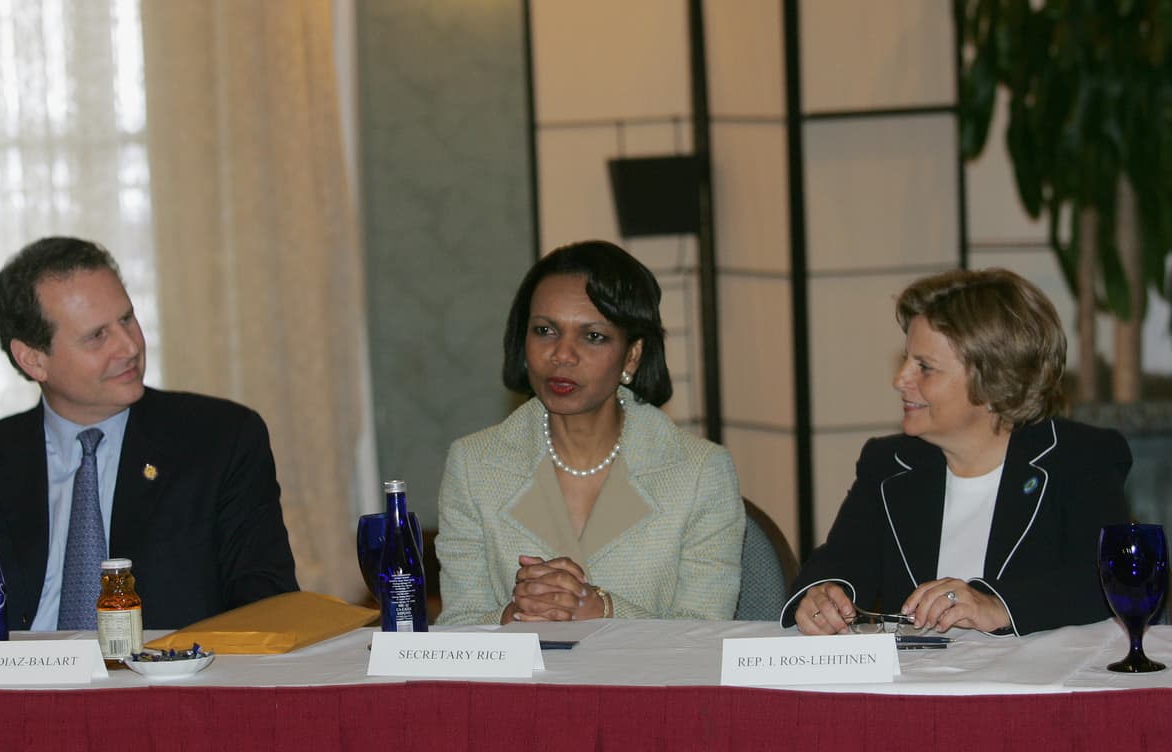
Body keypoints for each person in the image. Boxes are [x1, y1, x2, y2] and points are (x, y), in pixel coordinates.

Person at [0, 236, 298, 648]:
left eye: (127, 319)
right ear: (33, 359)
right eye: (97, 336)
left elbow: (265, 595)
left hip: (162, 689)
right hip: (18, 689)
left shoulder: (219, 440)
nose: (130, 346)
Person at [782, 268, 1131, 636]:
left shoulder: (1079, 458)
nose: (899, 379)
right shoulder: (890, 464)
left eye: (924, 367)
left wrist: (997, 605)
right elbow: (843, 560)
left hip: (1041, 686)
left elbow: (1108, 580)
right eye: (907, 360)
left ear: (995, 381)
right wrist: (823, 595)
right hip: (916, 686)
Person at [435, 240, 745, 625]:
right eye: (545, 331)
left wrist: (602, 610)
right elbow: (456, 627)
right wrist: (511, 617)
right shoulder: (474, 465)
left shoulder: (700, 473)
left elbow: (705, 637)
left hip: (644, 685)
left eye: (593, 336)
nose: (562, 355)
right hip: (523, 685)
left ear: (632, 355)